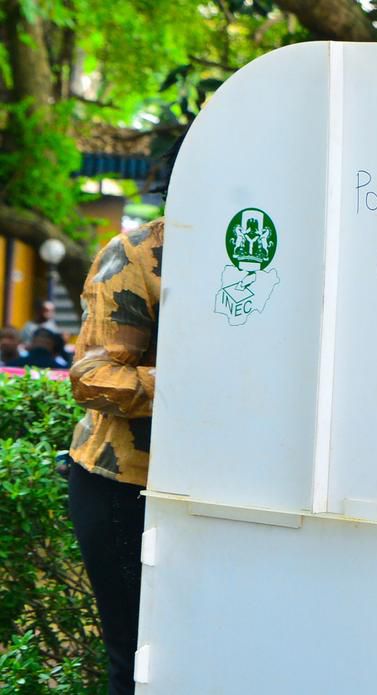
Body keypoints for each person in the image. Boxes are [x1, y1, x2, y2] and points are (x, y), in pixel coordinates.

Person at [66, 217, 162, 695]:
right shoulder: (138, 252)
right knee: (140, 662)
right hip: (123, 483)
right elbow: (91, 375)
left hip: (227, 485)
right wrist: (194, 381)